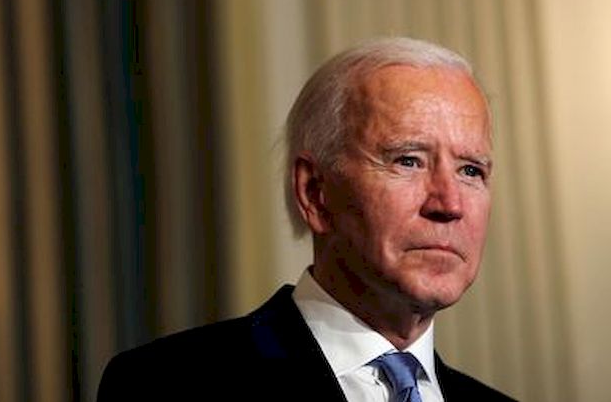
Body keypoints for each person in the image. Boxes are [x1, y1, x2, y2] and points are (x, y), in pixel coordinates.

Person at [96, 37, 516, 401]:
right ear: (314, 193)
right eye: (408, 161)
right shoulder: (171, 386)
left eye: (471, 171)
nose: (449, 204)